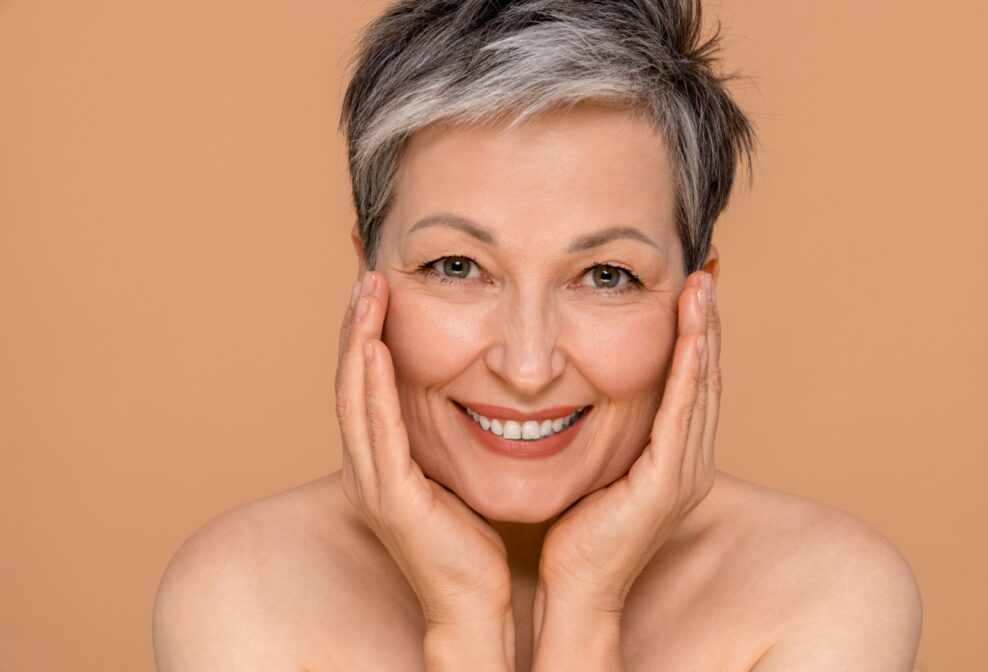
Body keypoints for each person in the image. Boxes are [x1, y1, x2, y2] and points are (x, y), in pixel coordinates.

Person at [153, 1, 922, 670]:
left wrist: (589, 604)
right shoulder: (244, 591)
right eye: (457, 265)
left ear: (698, 299)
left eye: (606, 275)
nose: (527, 365)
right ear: (367, 277)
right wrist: (464, 616)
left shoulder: (826, 591)